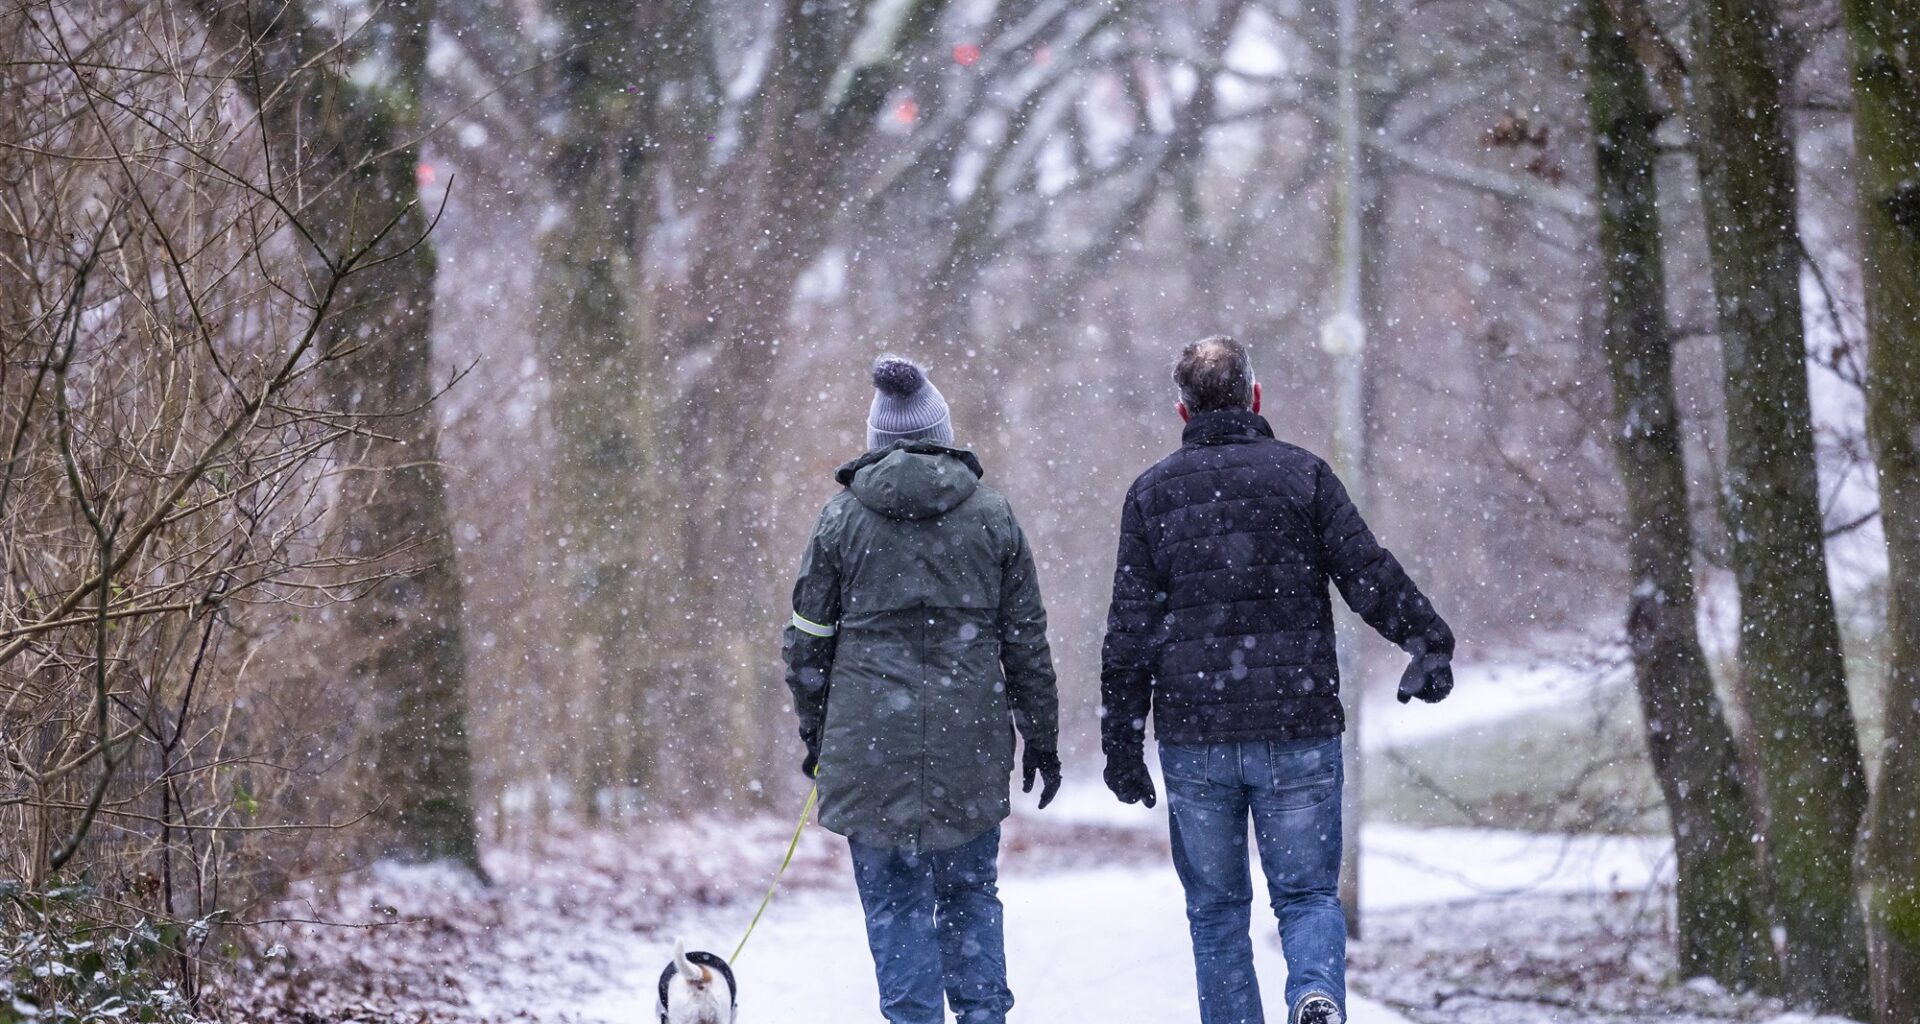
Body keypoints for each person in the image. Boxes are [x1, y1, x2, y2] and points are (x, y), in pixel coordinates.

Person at [1099, 336, 1455, 1024]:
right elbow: (1366, 572)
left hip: (1197, 737)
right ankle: (1316, 996)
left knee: (1215, 911)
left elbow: (1129, 632)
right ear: (1255, 397)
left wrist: (1122, 741)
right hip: (1298, 726)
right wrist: (1427, 640)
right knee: (1308, 897)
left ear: (1182, 410)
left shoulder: (1149, 497)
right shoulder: (1304, 476)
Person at [782, 355, 1061, 1024]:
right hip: (970, 742)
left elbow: (806, 641)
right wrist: (1041, 737)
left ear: (877, 441)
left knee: (895, 902)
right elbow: (1026, 640)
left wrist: (818, 735)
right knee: (969, 894)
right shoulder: (992, 516)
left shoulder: (840, 520)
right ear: (942, 433)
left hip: (867, 744)